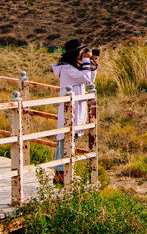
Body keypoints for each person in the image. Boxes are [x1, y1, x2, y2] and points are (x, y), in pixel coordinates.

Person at [51, 38, 98, 184]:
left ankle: (65, 173)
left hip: (76, 109)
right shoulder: (66, 69)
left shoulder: (72, 68)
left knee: (72, 139)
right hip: (70, 110)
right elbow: (85, 78)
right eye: (80, 52)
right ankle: (60, 175)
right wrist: (85, 61)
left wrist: (91, 63)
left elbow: (90, 80)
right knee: (65, 140)